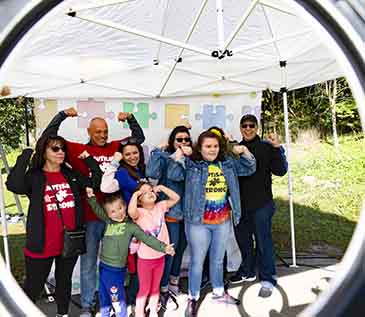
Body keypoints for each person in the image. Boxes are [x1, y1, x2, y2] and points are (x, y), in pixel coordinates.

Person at [43, 107, 145, 316]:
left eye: (105, 131)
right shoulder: (76, 149)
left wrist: (131, 119)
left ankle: (117, 301)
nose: (103, 135)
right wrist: (62, 115)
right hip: (91, 219)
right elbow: (48, 137)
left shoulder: (116, 146)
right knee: (89, 263)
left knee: (118, 262)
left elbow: (138, 138)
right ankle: (88, 305)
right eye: (98, 131)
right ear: (89, 132)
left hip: (117, 218)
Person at [6, 135, 101, 317]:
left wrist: (88, 159)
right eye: (55, 149)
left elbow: (95, 181)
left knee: (63, 283)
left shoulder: (70, 174)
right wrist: (27, 153)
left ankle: (62, 314)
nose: (61, 152)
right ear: (44, 152)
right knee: (33, 288)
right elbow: (13, 184)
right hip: (42, 244)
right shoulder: (35, 177)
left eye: (62, 149)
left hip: (68, 242)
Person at [168, 130, 256, 317]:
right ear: (200, 148)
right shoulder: (192, 164)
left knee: (217, 260)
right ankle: (193, 298)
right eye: (208, 146)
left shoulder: (227, 163)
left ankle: (218, 292)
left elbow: (249, 167)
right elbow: (173, 174)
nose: (212, 149)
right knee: (197, 262)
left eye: (215, 146)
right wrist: (180, 154)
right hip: (198, 221)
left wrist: (245, 151)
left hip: (222, 220)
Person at [85, 189, 175, 317]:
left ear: (125, 206)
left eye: (120, 208)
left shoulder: (131, 226)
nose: (118, 213)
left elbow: (147, 238)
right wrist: (92, 198)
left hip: (116, 269)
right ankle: (105, 314)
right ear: (108, 214)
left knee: (117, 299)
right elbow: (98, 211)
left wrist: (164, 247)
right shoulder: (109, 221)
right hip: (103, 267)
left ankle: (122, 314)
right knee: (104, 296)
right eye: (113, 211)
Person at [230, 114, 288, 298]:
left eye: (251, 126)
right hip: (241, 206)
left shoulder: (266, 147)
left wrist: (278, 147)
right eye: (244, 126)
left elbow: (281, 171)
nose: (248, 129)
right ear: (240, 128)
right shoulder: (234, 150)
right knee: (244, 242)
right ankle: (247, 271)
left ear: (257, 128)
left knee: (263, 242)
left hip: (262, 204)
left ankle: (268, 279)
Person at [145, 125, 192, 307]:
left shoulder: (192, 159)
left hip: (187, 213)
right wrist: (159, 151)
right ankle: (162, 289)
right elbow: (151, 173)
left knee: (180, 249)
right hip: (170, 212)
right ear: (172, 141)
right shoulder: (166, 157)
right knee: (169, 252)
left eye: (186, 139)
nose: (182, 143)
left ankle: (173, 283)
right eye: (178, 139)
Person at [100, 139, 146, 315]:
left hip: (142, 223)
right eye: (127, 154)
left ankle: (133, 300)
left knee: (140, 265)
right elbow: (105, 187)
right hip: (131, 227)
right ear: (122, 156)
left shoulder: (138, 171)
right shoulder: (121, 172)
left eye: (135, 152)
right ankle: (128, 302)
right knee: (134, 266)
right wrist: (113, 162)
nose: (132, 156)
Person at [128, 182, 180, 317]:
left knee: (155, 287)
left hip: (160, 256)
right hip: (145, 258)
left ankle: (152, 310)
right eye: (145, 192)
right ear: (139, 200)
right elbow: (130, 211)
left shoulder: (160, 206)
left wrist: (161, 188)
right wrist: (135, 195)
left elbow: (176, 198)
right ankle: (139, 313)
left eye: (151, 190)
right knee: (144, 289)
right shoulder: (138, 212)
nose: (150, 193)